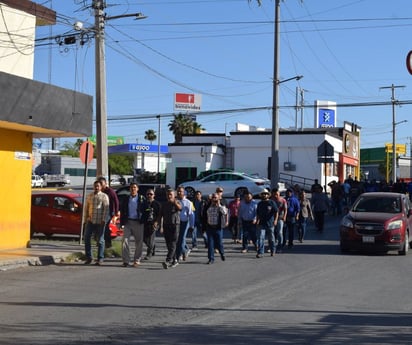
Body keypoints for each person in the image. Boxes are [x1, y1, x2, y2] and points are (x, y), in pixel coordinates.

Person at [84, 180, 110, 265]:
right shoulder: (90, 196)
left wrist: (104, 220)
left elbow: (106, 209)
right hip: (91, 221)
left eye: (98, 186)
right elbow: (86, 208)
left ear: (101, 187)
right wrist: (86, 219)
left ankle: (100, 258)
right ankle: (89, 257)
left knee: (100, 240)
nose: (96, 187)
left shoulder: (104, 196)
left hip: (100, 221)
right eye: (95, 186)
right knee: (87, 237)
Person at [119, 183, 145, 267]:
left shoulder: (141, 198)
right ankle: (126, 260)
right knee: (125, 241)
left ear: (137, 189)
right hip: (128, 222)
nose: (133, 189)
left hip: (138, 222)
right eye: (131, 188)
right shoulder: (126, 199)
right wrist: (121, 223)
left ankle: (137, 260)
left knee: (139, 242)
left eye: (134, 187)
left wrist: (143, 219)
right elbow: (122, 211)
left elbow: (146, 210)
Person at [203, 192, 228, 264]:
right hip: (210, 227)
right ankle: (211, 259)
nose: (214, 199)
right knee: (210, 244)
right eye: (213, 197)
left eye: (216, 198)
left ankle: (222, 253)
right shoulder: (208, 205)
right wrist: (204, 227)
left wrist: (219, 204)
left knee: (219, 243)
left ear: (218, 198)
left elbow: (225, 212)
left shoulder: (221, 205)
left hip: (218, 228)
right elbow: (204, 215)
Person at [160, 189, 182, 269]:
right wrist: (160, 225)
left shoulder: (177, 202)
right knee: (169, 244)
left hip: (175, 225)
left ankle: (168, 260)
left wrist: (174, 202)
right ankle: (175, 260)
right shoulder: (164, 204)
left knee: (173, 243)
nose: (169, 196)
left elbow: (180, 208)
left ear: (174, 195)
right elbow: (161, 215)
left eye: (171, 195)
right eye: (168, 195)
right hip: (166, 225)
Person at [97, 176, 120, 249]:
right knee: (99, 227)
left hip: (109, 212)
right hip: (100, 212)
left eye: (102, 184)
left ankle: (108, 243)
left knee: (105, 226)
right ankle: (100, 241)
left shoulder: (110, 191)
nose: (101, 185)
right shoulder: (98, 192)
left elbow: (116, 201)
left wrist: (116, 211)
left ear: (105, 184)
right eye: (99, 184)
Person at [256, 189, 278, 257]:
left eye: (266, 194)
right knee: (260, 238)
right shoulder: (260, 203)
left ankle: (272, 250)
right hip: (261, 223)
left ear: (268, 195)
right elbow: (258, 213)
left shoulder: (272, 202)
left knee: (271, 238)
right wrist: (257, 220)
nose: (265, 195)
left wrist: (275, 220)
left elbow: (276, 212)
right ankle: (260, 252)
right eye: (263, 194)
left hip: (270, 223)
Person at [140, 188, 161, 261]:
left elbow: (160, 215)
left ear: (154, 195)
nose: (149, 195)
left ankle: (149, 253)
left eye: (151, 194)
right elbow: (141, 212)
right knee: (144, 239)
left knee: (151, 239)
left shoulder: (157, 204)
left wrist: (157, 223)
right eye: (148, 194)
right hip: (145, 223)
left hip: (154, 224)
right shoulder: (144, 203)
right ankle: (153, 247)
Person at [176, 186, 195, 262]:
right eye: (178, 191)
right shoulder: (175, 201)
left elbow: (191, 214)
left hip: (185, 222)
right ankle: (185, 250)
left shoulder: (188, 202)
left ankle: (181, 253)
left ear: (184, 193)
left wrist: (192, 225)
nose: (179, 193)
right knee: (179, 238)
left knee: (182, 238)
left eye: (181, 191)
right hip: (177, 222)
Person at [272, 188, 287, 253]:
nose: (276, 196)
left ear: (279, 194)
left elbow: (285, 209)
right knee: (272, 232)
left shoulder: (283, 200)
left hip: (280, 218)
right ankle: (272, 246)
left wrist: (284, 216)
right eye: (274, 194)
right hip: (272, 218)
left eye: (277, 194)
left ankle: (279, 247)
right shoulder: (271, 200)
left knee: (280, 232)